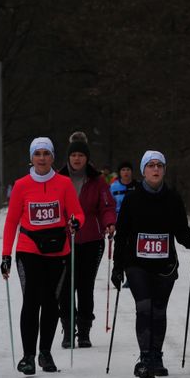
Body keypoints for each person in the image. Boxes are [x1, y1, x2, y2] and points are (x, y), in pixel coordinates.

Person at [111, 150, 190, 378]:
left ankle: (157, 356)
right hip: (137, 263)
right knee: (144, 307)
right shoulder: (132, 198)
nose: (155, 169)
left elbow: (181, 231)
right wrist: (117, 266)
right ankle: (145, 357)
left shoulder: (173, 198)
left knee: (159, 310)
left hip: (165, 264)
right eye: (150, 165)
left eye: (159, 165)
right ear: (143, 171)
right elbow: (121, 236)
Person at [1, 137, 85, 375]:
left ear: (52, 157)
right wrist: (6, 255)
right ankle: (28, 356)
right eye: (37, 153)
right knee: (31, 301)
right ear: (31, 157)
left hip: (58, 249)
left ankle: (45, 354)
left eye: (46, 153)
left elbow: (77, 212)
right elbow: (11, 221)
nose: (41, 158)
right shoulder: (21, 185)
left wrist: (77, 221)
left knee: (51, 303)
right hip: (29, 248)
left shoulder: (64, 183)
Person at [58, 137, 116, 348]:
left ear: (87, 158)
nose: (76, 159)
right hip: (63, 241)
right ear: (68, 157)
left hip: (91, 239)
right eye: (73, 155)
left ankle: (84, 331)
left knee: (85, 285)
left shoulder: (97, 180)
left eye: (81, 155)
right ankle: (67, 328)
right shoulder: (59, 177)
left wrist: (109, 223)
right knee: (65, 287)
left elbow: (107, 206)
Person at [110, 161, 140, 288]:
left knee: (133, 249)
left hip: (135, 223)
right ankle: (119, 271)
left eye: (128, 169)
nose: (126, 172)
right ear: (119, 172)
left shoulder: (138, 185)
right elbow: (109, 206)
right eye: (123, 170)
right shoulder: (113, 187)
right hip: (119, 223)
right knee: (121, 249)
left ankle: (131, 276)